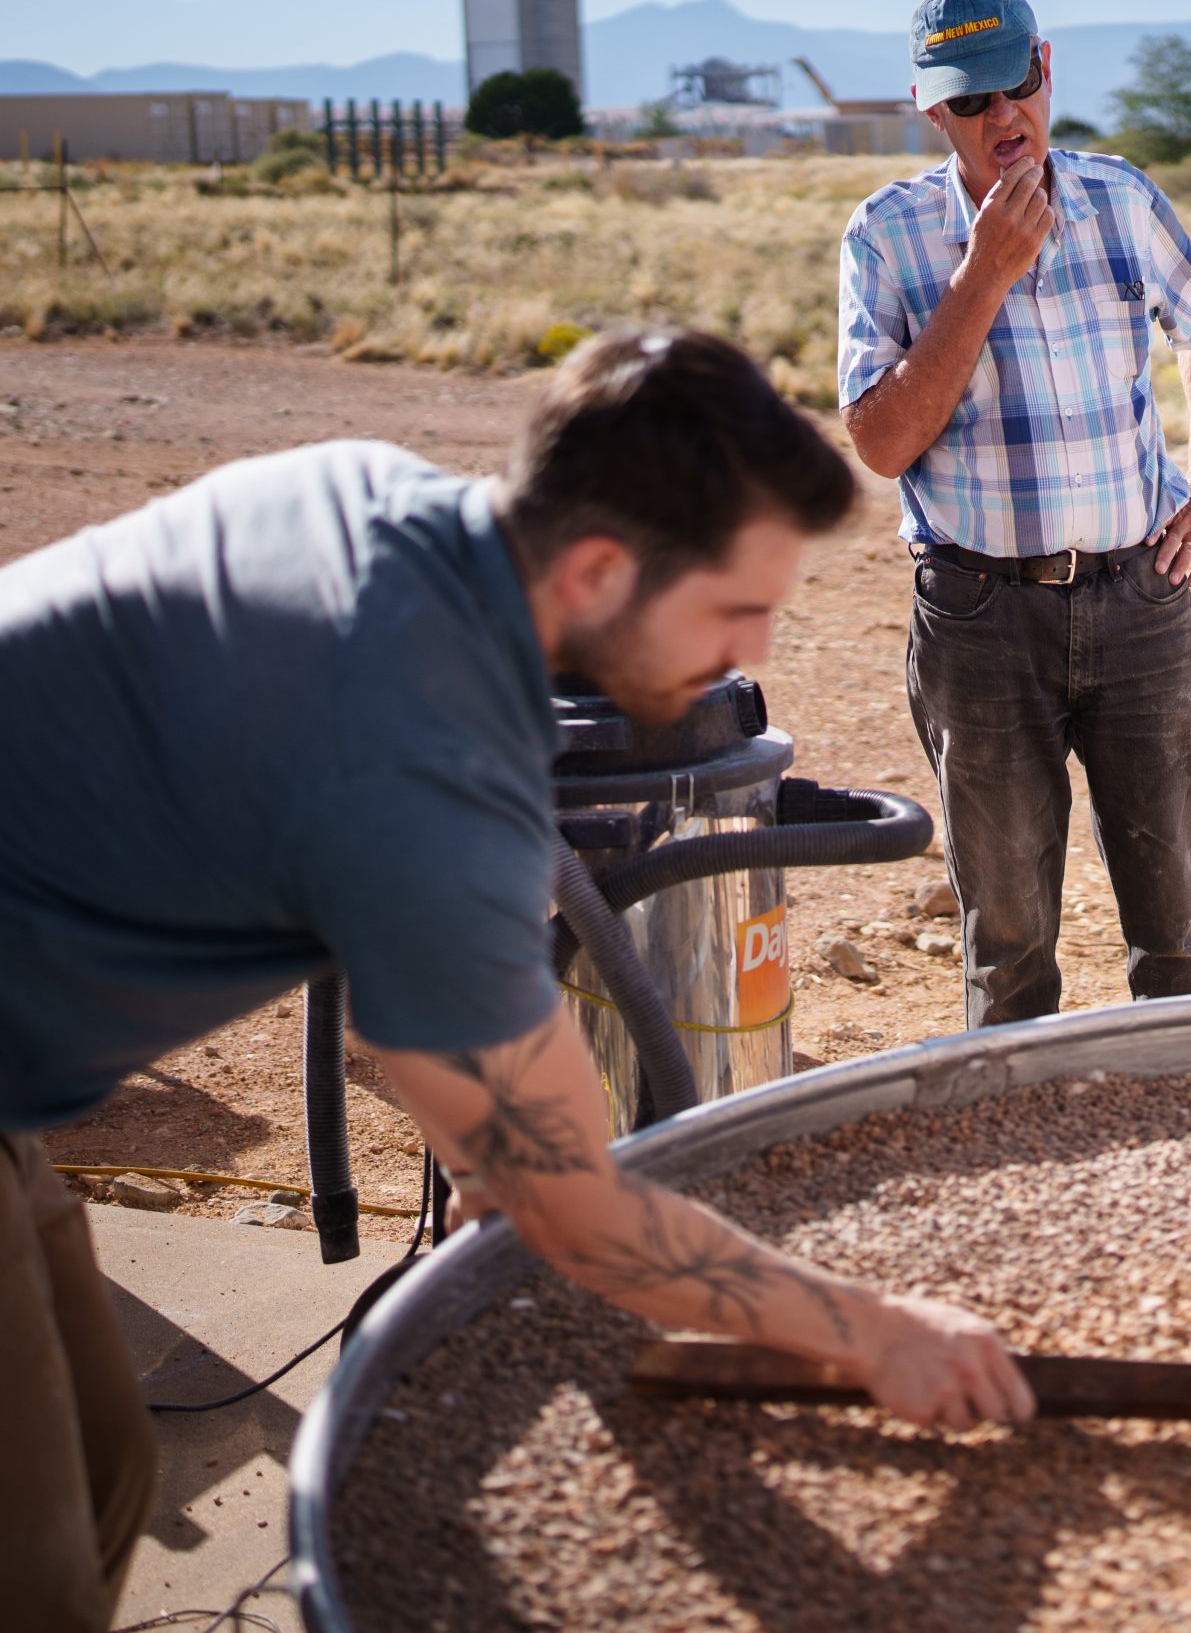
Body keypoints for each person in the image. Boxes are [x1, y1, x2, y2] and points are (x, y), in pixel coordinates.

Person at [0, 330, 1033, 1630]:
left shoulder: (367, 494)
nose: (752, 645)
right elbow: (578, 1211)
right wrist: (874, 1328)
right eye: (732, 608)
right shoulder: (425, 770)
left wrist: (490, 1149)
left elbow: (350, 891)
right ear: (599, 566)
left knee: (104, 1469)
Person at [837, 0, 1191, 1027]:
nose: (1001, 118)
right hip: (979, 619)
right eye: (970, 103)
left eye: (1014, 86)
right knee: (1008, 943)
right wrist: (981, 279)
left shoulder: (1120, 198)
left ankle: (1187, 1135)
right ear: (931, 110)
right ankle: (1020, 1162)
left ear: (1045, 69)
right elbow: (881, 444)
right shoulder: (885, 236)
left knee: (1181, 926)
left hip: (1139, 602)